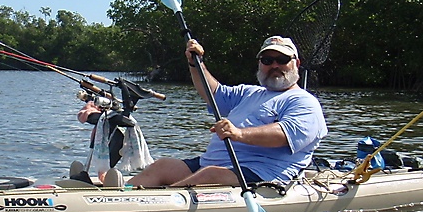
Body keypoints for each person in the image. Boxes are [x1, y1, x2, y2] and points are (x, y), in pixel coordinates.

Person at [126, 35, 327, 188]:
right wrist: (196, 63)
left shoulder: (304, 102)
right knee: (163, 165)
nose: (274, 65)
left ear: (296, 64)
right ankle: (120, 194)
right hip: (210, 165)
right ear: (260, 64)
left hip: (260, 174)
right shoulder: (248, 92)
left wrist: (238, 134)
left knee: (211, 175)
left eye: (282, 59)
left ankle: (150, 201)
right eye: (267, 60)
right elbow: (212, 92)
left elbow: (284, 134)